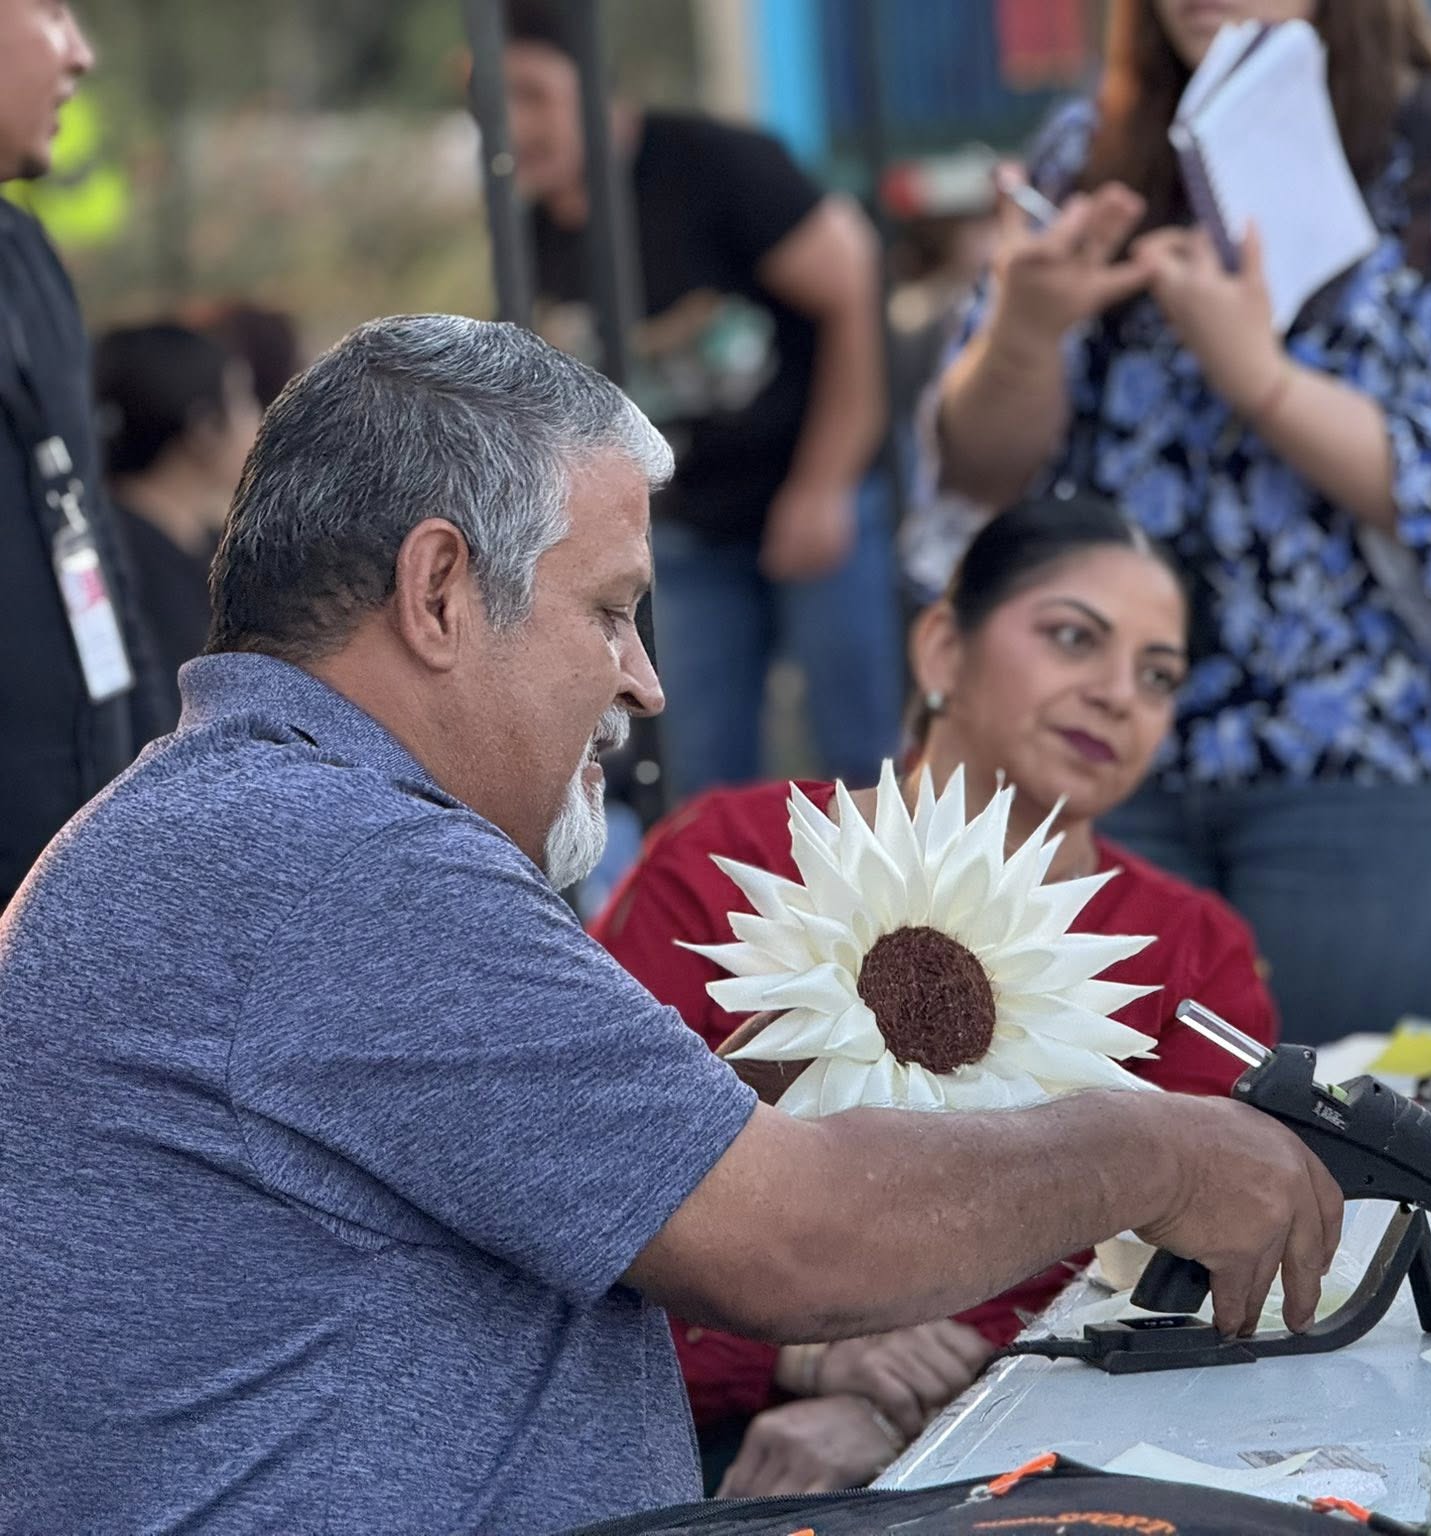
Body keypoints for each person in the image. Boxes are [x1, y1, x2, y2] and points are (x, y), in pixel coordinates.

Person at [0, 314, 1342, 1536]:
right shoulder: (333, 853)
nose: (643, 681)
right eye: (609, 611)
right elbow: (798, 1242)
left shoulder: (255, 816)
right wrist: (1153, 1147)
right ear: (440, 589)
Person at [923, 0, 1431, 1042]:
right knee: (1115, 1124)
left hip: (1389, 774)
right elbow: (973, 469)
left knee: (1326, 1113)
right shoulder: (1086, 151)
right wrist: (1023, 331)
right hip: (1106, 765)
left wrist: (1263, 382)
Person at [593, 494, 1280, 1496]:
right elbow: (597, 1201)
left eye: (1158, 675)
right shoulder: (724, 861)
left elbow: (1175, 1282)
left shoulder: (1189, 952)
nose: (1116, 696)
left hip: (1045, 1455)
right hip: (694, 1436)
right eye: (1073, 638)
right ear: (942, 649)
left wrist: (900, 1400)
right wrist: (803, 1359)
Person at [503, 0, 902, 802]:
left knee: (863, 758)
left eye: (533, 95)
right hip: (682, 528)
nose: (513, 125)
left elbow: (853, 278)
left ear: (600, 91)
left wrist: (826, 483)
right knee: (695, 766)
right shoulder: (532, 235)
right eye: (491, 101)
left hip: (813, 486)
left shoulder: (714, 165)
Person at [0, 0, 167, 905]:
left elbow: (86, 530)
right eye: (52, 10)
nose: (80, 54)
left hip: (83, 842)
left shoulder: (25, 252)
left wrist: (151, 763)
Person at [95, 322, 264, 674]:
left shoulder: (217, 546)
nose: (258, 422)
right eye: (243, 401)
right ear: (204, 428)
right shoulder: (119, 561)